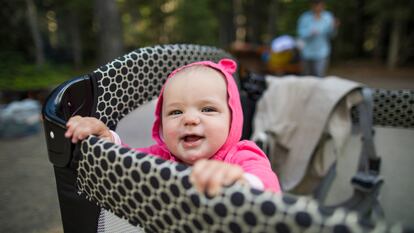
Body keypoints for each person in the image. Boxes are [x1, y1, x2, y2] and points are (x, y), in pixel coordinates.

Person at [65, 59, 281, 196]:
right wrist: (107, 139)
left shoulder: (242, 155)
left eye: (207, 109)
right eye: (176, 112)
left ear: (233, 119)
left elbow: (267, 184)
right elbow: (125, 162)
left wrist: (241, 181)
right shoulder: (161, 156)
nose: (189, 119)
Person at [297, 0, 338, 77]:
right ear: (312, 6)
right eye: (316, 5)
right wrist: (310, 33)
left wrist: (334, 28)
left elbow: (332, 35)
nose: (318, 7)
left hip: (322, 52)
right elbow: (300, 33)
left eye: (320, 5)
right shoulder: (304, 17)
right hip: (306, 52)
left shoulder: (328, 17)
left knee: (319, 76)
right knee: (306, 77)